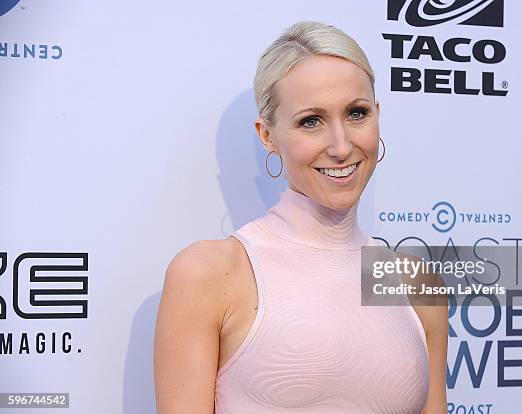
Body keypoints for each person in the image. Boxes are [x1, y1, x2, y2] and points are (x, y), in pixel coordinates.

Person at [154, 20, 448, 413]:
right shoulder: (210, 274)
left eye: (357, 114)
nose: (341, 146)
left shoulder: (417, 283)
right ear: (267, 135)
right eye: (311, 121)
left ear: (377, 115)